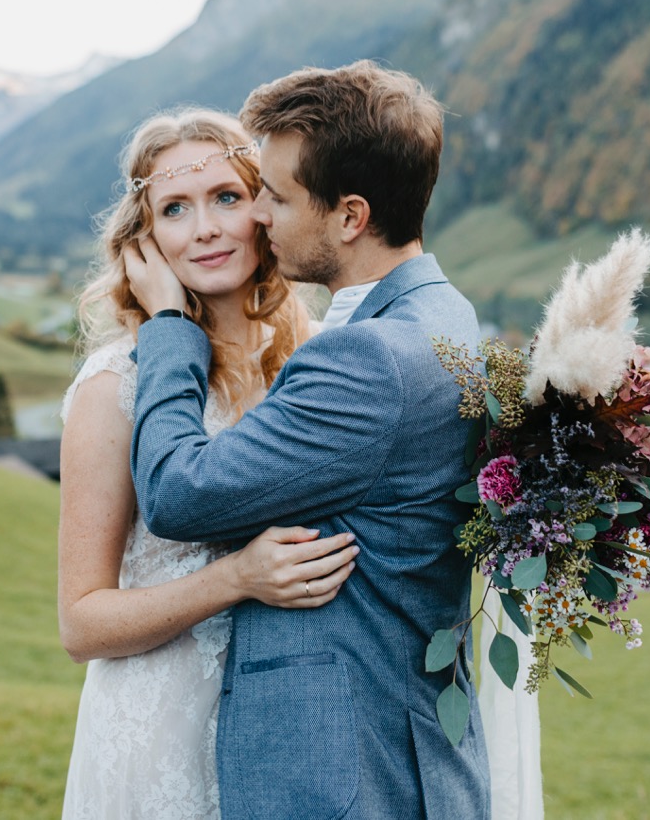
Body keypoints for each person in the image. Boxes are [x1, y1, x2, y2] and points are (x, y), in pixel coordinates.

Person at [123, 61, 495, 819]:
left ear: (350, 216)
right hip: (405, 758)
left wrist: (166, 328)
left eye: (275, 196)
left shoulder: (364, 358)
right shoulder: (444, 314)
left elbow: (175, 491)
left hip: (346, 774)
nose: (255, 215)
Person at [58, 108, 360, 820]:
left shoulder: (319, 359)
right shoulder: (116, 386)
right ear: (146, 241)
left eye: (226, 197)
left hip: (292, 729)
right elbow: (82, 623)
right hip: (160, 734)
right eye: (174, 210)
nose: (206, 229)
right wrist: (236, 579)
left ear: (266, 207)